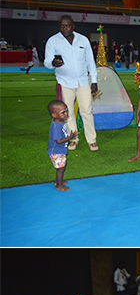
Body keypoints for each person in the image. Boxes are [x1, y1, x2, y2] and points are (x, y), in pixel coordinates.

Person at [44, 15, 99, 152]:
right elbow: (47, 61)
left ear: (73, 26)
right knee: (67, 113)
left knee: (87, 111)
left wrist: (94, 81)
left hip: (83, 82)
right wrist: (53, 63)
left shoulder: (83, 40)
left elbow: (90, 62)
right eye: (62, 26)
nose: (64, 28)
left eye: (67, 26)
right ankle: (73, 139)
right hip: (64, 82)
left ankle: (92, 140)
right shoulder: (53, 41)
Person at [46, 99, 78, 192]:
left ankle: (58, 181)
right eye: (63, 112)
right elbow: (59, 141)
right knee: (60, 168)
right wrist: (70, 137)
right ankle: (59, 185)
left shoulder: (59, 121)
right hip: (56, 150)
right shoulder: (56, 126)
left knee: (63, 166)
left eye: (66, 111)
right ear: (54, 115)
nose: (66, 114)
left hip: (59, 150)